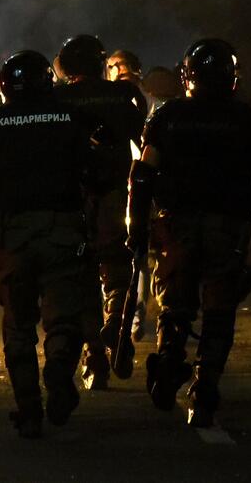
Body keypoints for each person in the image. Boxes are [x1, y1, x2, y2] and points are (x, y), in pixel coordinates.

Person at [128, 39, 251, 427]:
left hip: (176, 222)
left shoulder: (167, 116)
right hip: (227, 225)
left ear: (188, 76)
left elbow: (144, 173)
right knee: (219, 308)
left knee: (174, 303)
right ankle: (205, 386)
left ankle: (169, 361)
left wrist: (136, 223)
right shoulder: (244, 120)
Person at [0, 50, 111, 438]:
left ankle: (28, 408)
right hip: (63, 229)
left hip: (12, 235)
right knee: (63, 315)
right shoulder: (73, 119)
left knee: (18, 321)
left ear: (4, 87)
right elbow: (100, 172)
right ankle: (58, 367)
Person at [54, 35, 147, 390]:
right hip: (115, 194)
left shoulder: (57, 98)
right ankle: (117, 325)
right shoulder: (125, 96)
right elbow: (148, 144)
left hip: (71, 199)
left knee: (82, 278)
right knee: (118, 270)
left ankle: (94, 354)